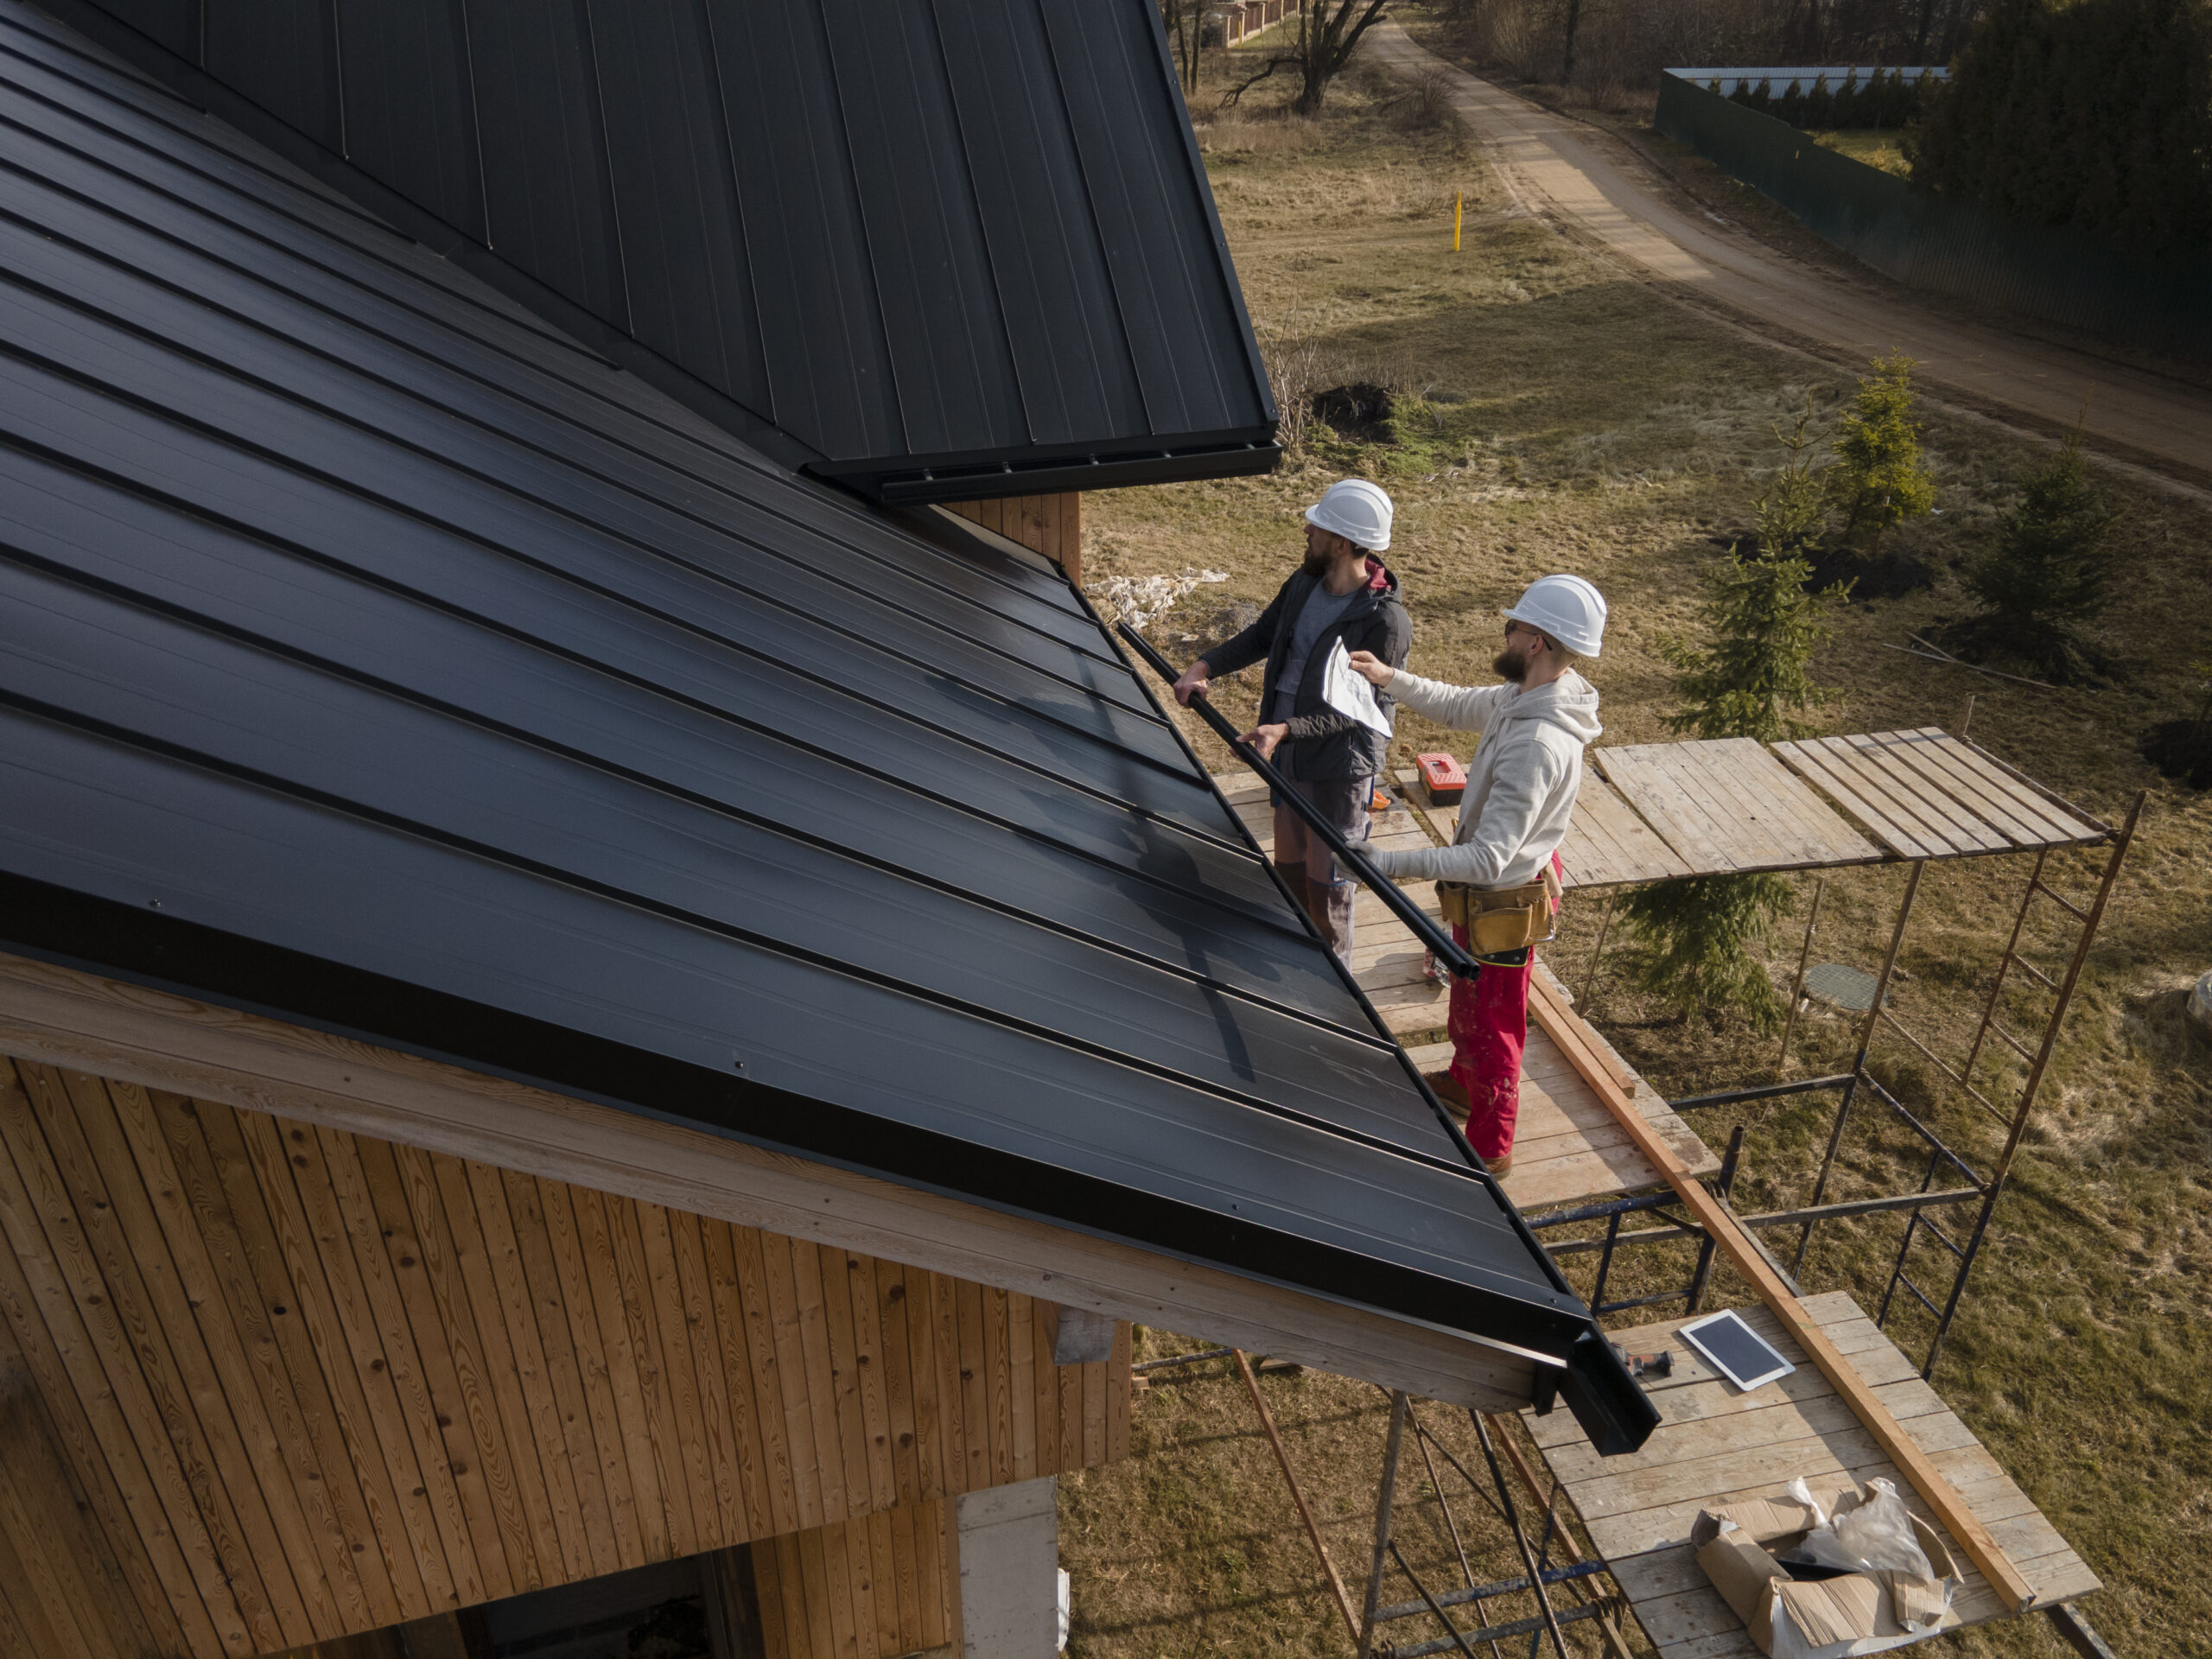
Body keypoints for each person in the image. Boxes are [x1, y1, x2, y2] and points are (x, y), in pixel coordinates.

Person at [1344, 574, 1607, 1176]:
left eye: (1514, 626)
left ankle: (1492, 1149)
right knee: (1469, 997)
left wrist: (1385, 864)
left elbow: (1490, 858)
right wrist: (1390, 679)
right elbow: (1462, 703)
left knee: (1496, 1027)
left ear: (1535, 641)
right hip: (1488, 894)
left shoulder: (1539, 742)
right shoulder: (1528, 695)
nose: (1506, 632)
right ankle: (1463, 1086)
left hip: (1504, 899)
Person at [1173, 479, 1410, 963]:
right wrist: (1204, 666)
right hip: (1287, 755)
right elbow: (1263, 635)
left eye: (1317, 526)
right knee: (1290, 878)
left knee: (1329, 895)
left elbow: (1357, 712)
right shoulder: (1303, 584)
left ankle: (1337, 1003)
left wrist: (1286, 730)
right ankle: (1291, 976)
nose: (1306, 529)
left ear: (1341, 543)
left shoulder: (1384, 622)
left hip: (1338, 769)